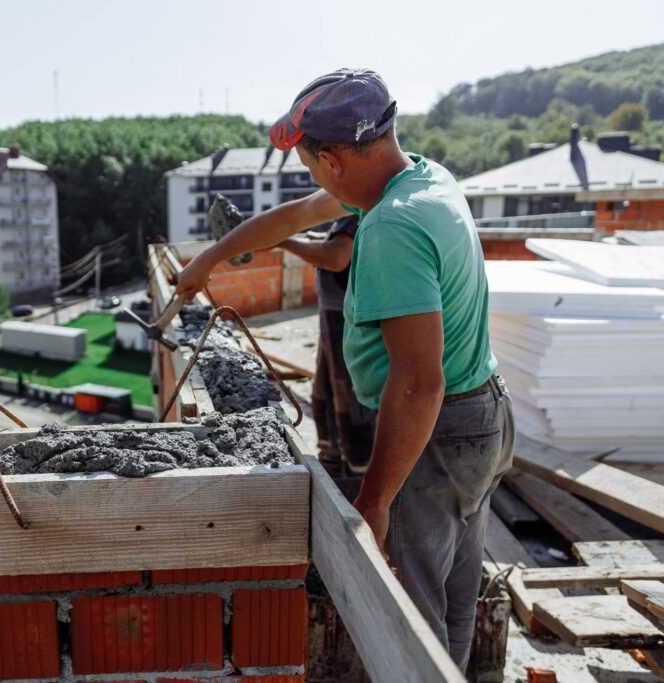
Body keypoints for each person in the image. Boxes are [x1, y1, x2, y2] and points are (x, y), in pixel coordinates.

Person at [176, 69, 514, 670]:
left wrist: (377, 498)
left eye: (308, 163)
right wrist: (209, 258)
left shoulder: (391, 227)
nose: (311, 177)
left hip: (438, 432)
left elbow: (417, 383)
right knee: (456, 594)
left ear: (332, 159)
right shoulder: (420, 178)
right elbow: (293, 217)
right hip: (482, 413)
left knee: (409, 614)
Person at [280, 216, 374, 474]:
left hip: (349, 321)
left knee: (350, 397)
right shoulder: (348, 214)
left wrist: (285, 242)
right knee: (327, 392)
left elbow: (337, 257)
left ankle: (357, 472)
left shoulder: (358, 212)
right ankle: (333, 460)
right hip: (335, 316)